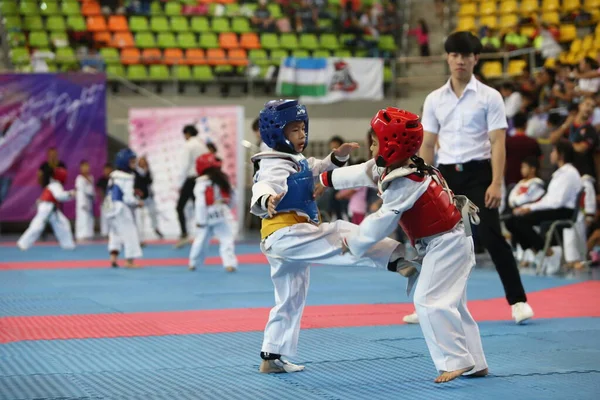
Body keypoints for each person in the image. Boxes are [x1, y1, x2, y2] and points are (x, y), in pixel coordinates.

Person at [319, 108, 488, 383]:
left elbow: (381, 221)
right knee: (454, 304)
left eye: (374, 142)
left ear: (391, 145)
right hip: (450, 240)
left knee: (428, 300)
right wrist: (325, 180)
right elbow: (362, 172)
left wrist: (354, 242)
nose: (371, 147)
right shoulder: (399, 166)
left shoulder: (407, 182)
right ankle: (476, 362)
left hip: (447, 243)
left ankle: (455, 362)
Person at [250, 99, 419, 374]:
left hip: (288, 238)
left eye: (303, 128)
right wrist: (266, 198)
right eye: (294, 130)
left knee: (290, 298)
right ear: (276, 133)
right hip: (287, 233)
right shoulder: (272, 165)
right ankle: (395, 259)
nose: (302, 135)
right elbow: (265, 185)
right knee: (340, 232)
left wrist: (336, 158)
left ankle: (272, 355)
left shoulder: (294, 159)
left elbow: (316, 167)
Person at [416, 31, 534, 325]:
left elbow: (497, 143)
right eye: (455, 55)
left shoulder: (490, 97)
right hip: (445, 175)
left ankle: (518, 301)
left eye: (466, 56)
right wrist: (422, 181)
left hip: (481, 173)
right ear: (447, 58)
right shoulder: (434, 99)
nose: (460, 61)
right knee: (437, 241)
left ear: (475, 59)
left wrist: (496, 182)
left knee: (492, 236)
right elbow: (428, 144)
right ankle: (431, 304)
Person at [505, 141, 582, 274]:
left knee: (521, 220)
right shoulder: (559, 173)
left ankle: (549, 252)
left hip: (564, 212)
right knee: (511, 221)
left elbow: (556, 202)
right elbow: (548, 199)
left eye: (553, 151)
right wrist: (529, 206)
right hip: (554, 209)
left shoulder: (569, 173)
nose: (551, 154)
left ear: (561, 154)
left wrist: (531, 208)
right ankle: (539, 252)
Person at [189, 153, 238, 272]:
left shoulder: (201, 183)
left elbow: (200, 203)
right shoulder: (223, 179)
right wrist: (227, 208)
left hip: (206, 214)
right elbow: (234, 197)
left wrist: (200, 221)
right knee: (226, 239)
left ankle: (193, 263)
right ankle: (229, 264)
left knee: (200, 240)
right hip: (221, 212)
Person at [17, 167, 76, 250]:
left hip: (49, 207)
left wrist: (70, 195)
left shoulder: (53, 184)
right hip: (47, 207)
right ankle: (23, 243)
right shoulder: (55, 185)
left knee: (63, 223)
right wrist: (71, 193)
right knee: (38, 226)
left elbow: (56, 196)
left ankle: (68, 245)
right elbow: (59, 196)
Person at [506, 157, 546, 267]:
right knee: (512, 223)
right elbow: (511, 198)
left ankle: (539, 251)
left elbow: (529, 197)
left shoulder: (538, 183)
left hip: (532, 212)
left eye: (524, 167)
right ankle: (527, 252)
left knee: (521, 223)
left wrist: (517, 202)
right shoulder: (520, 183)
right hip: (518, 211)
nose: (522, 170)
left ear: (532, 169)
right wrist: (515, 202)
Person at [107, 148, 144, 269]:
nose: (134, 164)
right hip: (121, 208)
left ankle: (113, 257)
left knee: (115, 233)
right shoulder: (127, 177)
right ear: (124, 162)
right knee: (130, 232)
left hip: (109, 208)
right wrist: (137, 202)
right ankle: (129, 261)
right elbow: (128, 198)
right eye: (132, 161)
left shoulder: (113, 176)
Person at [175, 125, 208, 248]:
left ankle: (184, 234)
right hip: (201, 179)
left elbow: (184, 166)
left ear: (187, 134)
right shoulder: (202, 145)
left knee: (180, 207)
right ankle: (203, 235)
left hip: (190, 179)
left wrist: (180, 184)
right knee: (199, 208)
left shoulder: (189, 145)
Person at [505, 112, 542, 187]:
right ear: (526, 124)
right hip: (529, 181)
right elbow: (539, 159)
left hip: (510, 179)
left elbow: (503, 162)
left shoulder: (507, 142)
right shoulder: (532, 142)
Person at [134, 155, 163, 240]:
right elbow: (135, 184)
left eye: (144, 161)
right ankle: (139, 235)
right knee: (140, 216)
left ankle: (156, 228)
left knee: (153, 213)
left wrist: (146, 171)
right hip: (139, 197)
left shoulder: (148, 171)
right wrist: (137, 192)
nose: (143, 163)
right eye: (141, 161)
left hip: (149, 196)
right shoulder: (135, 172)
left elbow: (150, 181)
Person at [75, 160, 95, 242]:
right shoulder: (79, 178)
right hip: (82, 201)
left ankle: (89, 234)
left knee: (89, 218)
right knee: (82, 218)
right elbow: (80, 192)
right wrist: (82, 203)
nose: (85, 168)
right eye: (83, 167)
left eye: (87, 166)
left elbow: (92, 190)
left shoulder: (91, 177)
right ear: (80, 168)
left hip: (89, 200)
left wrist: (93, 197)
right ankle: (80, 235)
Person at [96, 163, 113, 237]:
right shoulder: (101, 180)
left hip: (112, 201)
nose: (107, 171)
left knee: (112, 218)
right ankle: (104, 233)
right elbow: (99, 190)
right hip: (104, 201)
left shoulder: (113, 179)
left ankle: (112, 233)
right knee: (104, 218)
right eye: (105, 170)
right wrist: (103, 199)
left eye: (108, 169)